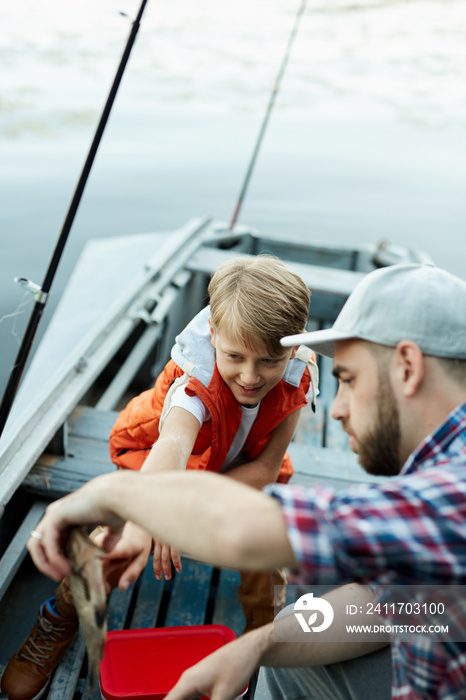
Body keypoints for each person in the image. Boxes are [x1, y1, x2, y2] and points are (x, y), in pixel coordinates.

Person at [20, 262, 466, 698]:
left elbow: (266, 526)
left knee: (272, 580)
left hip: (217, 492)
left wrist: (118, 497)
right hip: (184, 477)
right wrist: (257, 647)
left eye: (348, 380)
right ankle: (62, 615)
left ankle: (260, 621)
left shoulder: (447, 497)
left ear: (407, 367)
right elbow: (397, 605)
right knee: (278, 643)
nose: (337, 409)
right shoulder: (440, 482)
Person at [0, 254, 318, 700]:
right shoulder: (192, 385)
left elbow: (266, 468)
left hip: (241, 475)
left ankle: (262, 637)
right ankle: (60, 616)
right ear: (213, 336)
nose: (251, 376)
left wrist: (186, 508)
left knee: (267, 555)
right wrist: (154, 513)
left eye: (270, 360)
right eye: (235, 356)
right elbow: (171, 448)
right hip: (166, 469)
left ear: (293, 346)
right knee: (108, 543)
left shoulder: (300, 371)